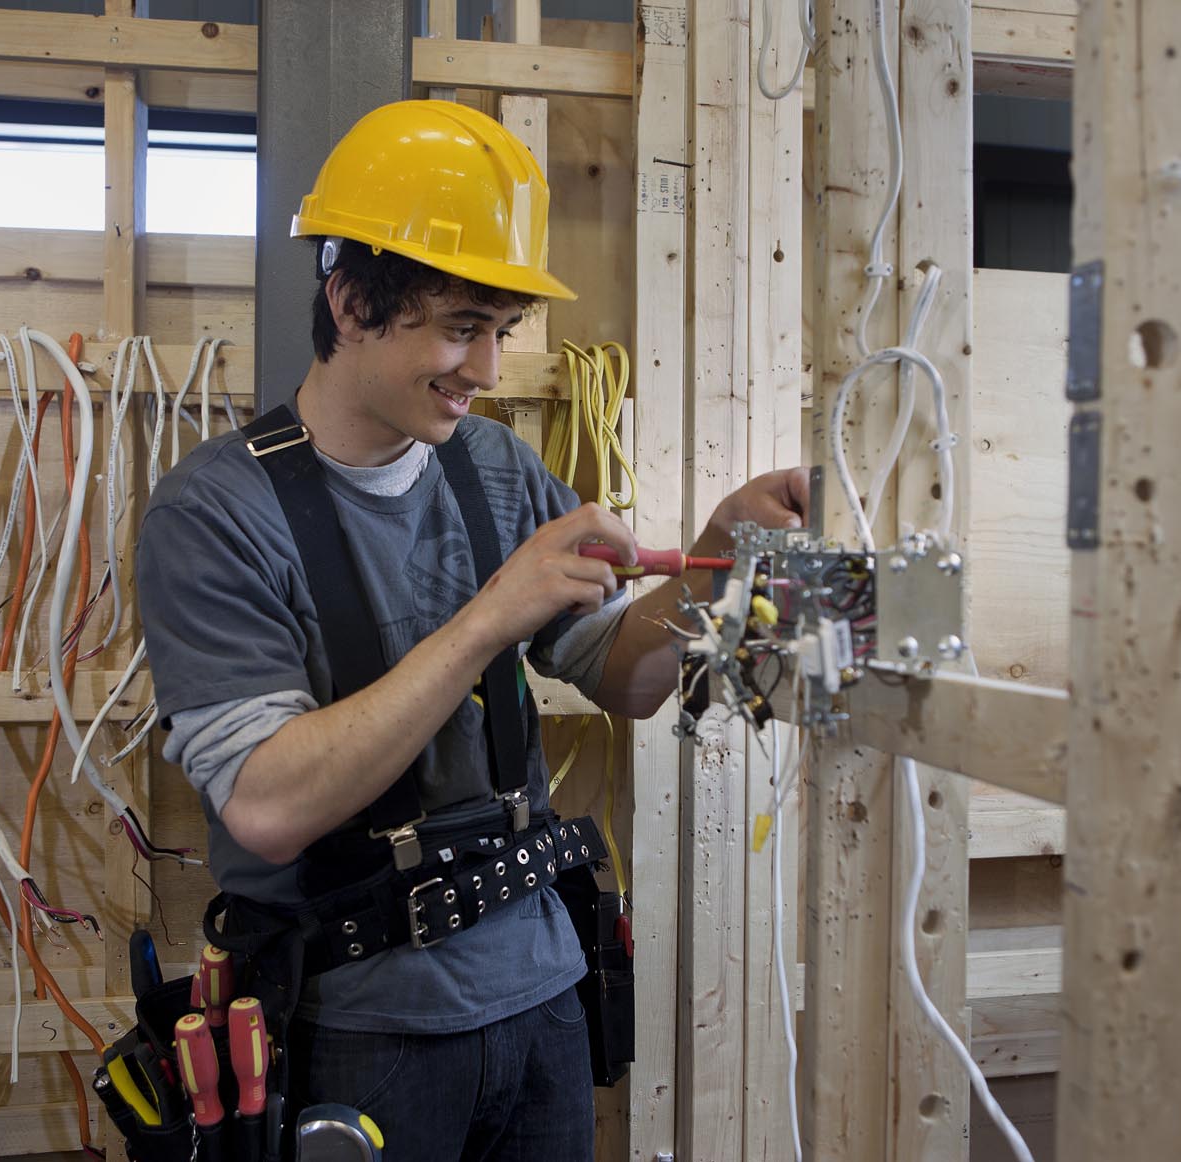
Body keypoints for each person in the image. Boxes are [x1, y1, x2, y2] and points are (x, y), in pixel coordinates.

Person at [135, 99, 807, 1161]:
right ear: (350, 300)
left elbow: (627, 680)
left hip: (542, 998)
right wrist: (493, 611)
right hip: (356, 1027)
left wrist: (719, 554)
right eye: (460, 327)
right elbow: (266, 805)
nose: (488, 371)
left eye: (500, 331)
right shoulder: (213, 513)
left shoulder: (495, 472)